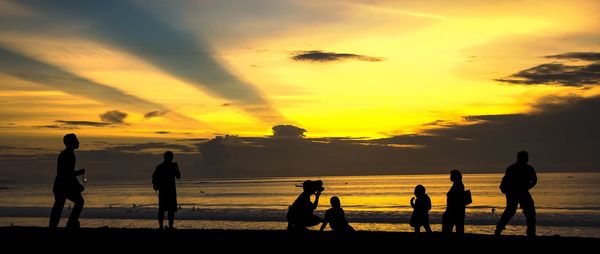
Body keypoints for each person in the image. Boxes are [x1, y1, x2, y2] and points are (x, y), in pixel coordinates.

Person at [495, 151, 537, 237]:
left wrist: (527, 187)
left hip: (520, 192)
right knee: (511, 211)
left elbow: (534, 180)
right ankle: (499, 228)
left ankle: (531, 232)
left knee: (529, 212)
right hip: (514, 193)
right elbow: (505, 181)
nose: (527, 159)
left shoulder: (524, 168)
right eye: (525, 157)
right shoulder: (514, 168)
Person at [49, 133, 86, 229]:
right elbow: (67, 174)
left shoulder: (66, 154)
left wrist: (77, 182)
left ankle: (63, 224)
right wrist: (78, 182)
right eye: (76, 140)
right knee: (77, 202)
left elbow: (67, 173)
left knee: (59, 206)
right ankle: (71, 223)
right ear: (71, 143)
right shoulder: (68, 155)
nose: (78, 142)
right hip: (63, 186)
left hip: (61, 185)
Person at [152, 151, 181, 230]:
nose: (171, 159)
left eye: (172, 157)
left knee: (167, 210)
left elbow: (178, 176)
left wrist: (176, 168)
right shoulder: (161, 167)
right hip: (166, 191)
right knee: (165, 210)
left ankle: (165, 226)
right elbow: (154, 178)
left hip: (167, 191)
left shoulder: (164, 167)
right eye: (170, 157)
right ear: (166, 157)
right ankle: (164, 226)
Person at [442, 170, 467, 234]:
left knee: (451, 229)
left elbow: (455, 199)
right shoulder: (457, 184)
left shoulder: (458, 185)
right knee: (458, 229)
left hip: (454, 211)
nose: (450, 177)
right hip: (457, 211)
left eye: (451, 175)